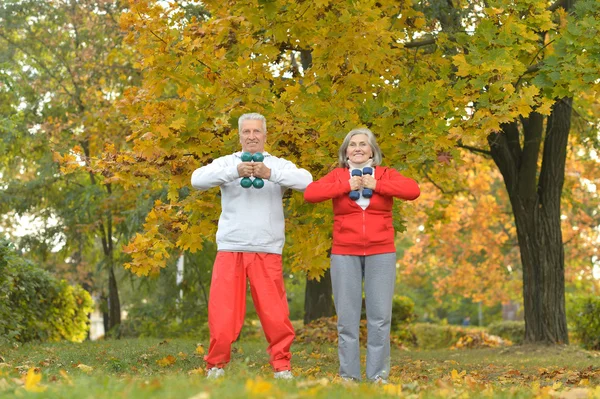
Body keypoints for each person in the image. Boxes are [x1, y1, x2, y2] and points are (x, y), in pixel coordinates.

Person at [191, 112, 313, 380]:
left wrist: (270, 174)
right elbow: (196, 179)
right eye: (246, 132)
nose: (252, 136)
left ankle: (282, 366)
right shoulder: (227, 163)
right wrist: (233, 172)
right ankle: (216, 366)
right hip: (231, 247)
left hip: (266, 248)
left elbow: (307, 182)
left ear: (265, 135)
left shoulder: (278, 164)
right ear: (239, 136)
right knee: (223, 314)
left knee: (275, 315)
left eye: (257, 131)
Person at [304, 128, 420, 383]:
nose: (357, 148)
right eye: (352, 144)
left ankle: (378, 376)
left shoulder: (385, 174)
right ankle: (349, 377)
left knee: (379, 319)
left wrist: (376, 185)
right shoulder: (337, 175)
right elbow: (311, 193)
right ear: (345, 152)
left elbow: (413, 190)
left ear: (372, 151)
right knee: (347, 320)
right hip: (345, 252)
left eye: (363, 145)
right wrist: (345, 186)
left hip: (381, 251)